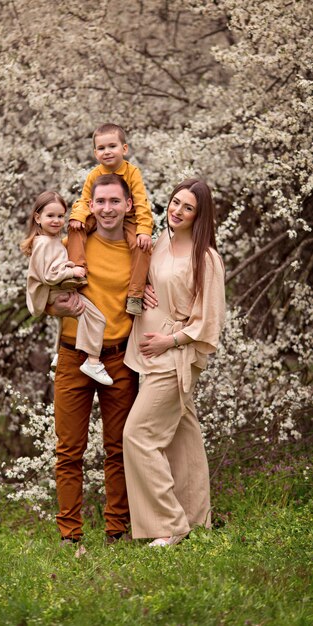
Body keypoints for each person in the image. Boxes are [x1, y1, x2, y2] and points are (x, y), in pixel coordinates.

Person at [123, 179, 226, 547]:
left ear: (200, 216)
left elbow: (209, 320)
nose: (176, 211)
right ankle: (197, 521)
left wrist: (171, 339)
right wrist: (144, 285)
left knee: (138, 435)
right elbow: (146, 272)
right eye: (174, 202)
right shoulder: (161, 243)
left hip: (173, 357)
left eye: (187, 208)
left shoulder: (206, 258)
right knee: (184, 438)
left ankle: (169, 526)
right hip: (148, 353)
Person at [47, 174, 139, 552]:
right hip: (73, 356)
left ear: (128, 205)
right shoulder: (74, 241)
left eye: (114, 201)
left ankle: (117, 531)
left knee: (118, 448)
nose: (106, 209)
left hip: (118, 358)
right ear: (90, 204)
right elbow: (44, 288)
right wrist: (54, 305)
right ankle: (71, 535)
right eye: (99, 201)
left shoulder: (139, 249)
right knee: (69, 451)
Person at [21, 190, 113, 385]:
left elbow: (54, 266)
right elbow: (48, 275)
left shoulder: (51, 240)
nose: (56, 221)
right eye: (50, 216)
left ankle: (57, 356)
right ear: (37, 218)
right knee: (96, 318)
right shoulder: (44, 243)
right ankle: (93, 361)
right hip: (56, 290)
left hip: (58, 290)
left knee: (65, 322)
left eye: (61, 216)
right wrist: (73, 272)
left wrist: (67, 266)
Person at [67, 123, 153, 316]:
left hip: (128, 219)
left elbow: (141, 203)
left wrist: (144, 230)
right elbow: (84, 201)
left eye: (112, 146)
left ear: (124, 149)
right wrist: (79, 216)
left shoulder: (132, 173)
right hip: (97, 215)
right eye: (101, 148)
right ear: (95, 153)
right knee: (74, 226)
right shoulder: (94, 175)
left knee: (142, 246)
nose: (107, 152)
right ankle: (77, 269)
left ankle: (135, 294)